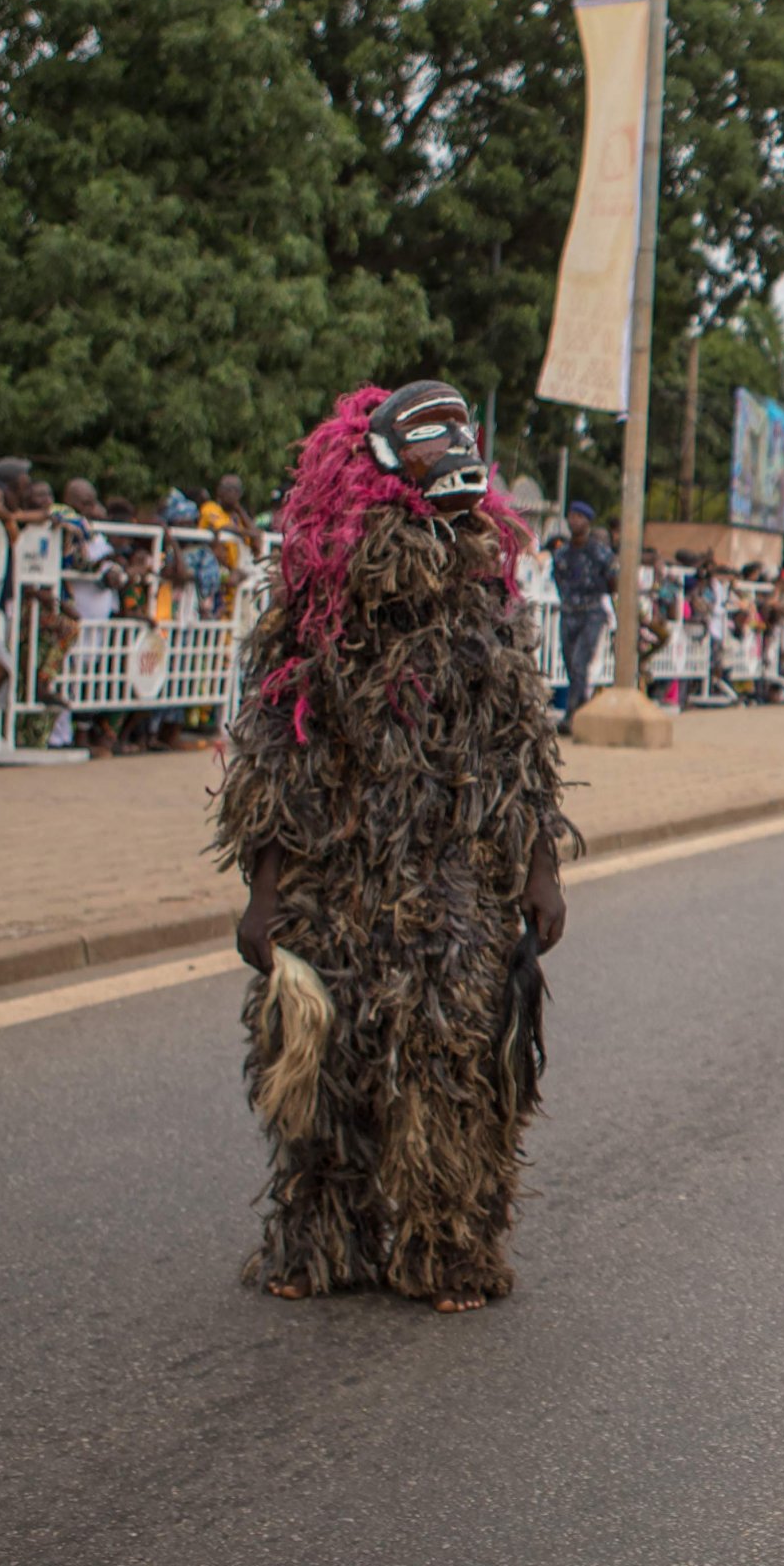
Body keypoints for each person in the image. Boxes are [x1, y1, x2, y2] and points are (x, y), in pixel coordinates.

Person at [214, 381, 572, 1311]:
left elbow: (520, 742)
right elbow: (277, 750)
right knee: (318, 1067)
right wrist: (264, 890)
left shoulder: (482, 601)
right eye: (425, 443)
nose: (447, 457)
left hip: (452, 882)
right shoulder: (317, 607)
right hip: (334, 877)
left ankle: (444, 1246)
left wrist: (540, 868)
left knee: (448, 1066)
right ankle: (319, 1239)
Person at [549, 503, 615, 732]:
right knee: (569, 662)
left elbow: (612, 581)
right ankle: (582, 707)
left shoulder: (600, 552)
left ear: (588, 521)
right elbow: (557, 579)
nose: (574, 520)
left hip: (592, 612)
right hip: (569, 612)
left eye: (579, 517)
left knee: (579, 662)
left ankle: (572, 713)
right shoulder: (561, 553)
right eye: (572, 516)